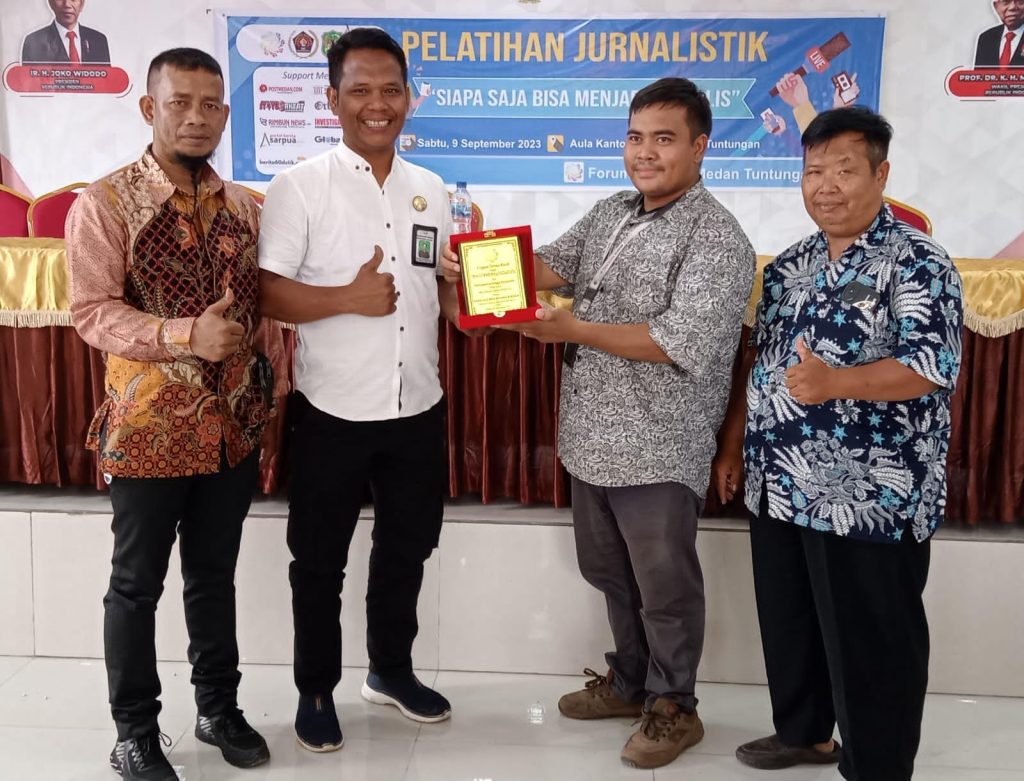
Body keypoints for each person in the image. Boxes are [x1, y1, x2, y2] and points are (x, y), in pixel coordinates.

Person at [443, 77, 755, 770]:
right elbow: (548, 266)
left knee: (664, 584)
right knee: (608, 570)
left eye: (664, 139)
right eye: (635, 137)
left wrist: (573, 329)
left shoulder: (717, 237)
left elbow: (678, 341)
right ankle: (631, 680)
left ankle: (675, 706)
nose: (645, 152)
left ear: (700, 146)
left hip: (659, 441)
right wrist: (471, 261)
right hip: (590, 434)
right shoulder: (613, 209)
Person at [713, 107, 963, 781]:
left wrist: (837, 382)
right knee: (790, 622)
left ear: (881, 175)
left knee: (874, 640)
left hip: (870, 495)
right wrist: (734, 444)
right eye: (813, 171)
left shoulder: (918, 261)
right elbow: (761, 363)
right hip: (780, 479)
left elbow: (930, 366)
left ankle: (877, 765)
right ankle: (804, 735)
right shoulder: (790, 264)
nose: (826, 186)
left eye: (844, 170)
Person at [66, 47, 285, 780]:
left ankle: (218, 708)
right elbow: (92, 312)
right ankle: (134, 731)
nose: (197, 117)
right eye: (180, 102)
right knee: (136, 585)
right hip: (149, 429)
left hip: (231, 430)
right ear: (149, 109)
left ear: (225, 113)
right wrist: (184, 333)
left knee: (213, 576)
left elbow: (263, 306)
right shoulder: (106, 203)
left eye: (210, 104)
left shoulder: (245, 207)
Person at [258, 28, 462, 753]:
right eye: (361, 90)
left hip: (417, 407)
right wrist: (346, 297)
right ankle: (316, 690)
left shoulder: (431, 189)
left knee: (407, 548)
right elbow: (267, 292)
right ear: (332, 98)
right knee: (318, 561)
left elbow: (440, 291)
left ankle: (390, 671)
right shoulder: (299, 186)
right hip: (332, 411)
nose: (379, 104)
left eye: (391, 90)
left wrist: (473, 292)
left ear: (409, 97)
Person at [22, 0, 110, 64]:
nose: (67, 4)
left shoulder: (99, 40)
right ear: (50, 3)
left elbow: (106, 81)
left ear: (82, 4)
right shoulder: (34, 42)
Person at [975, 0, 1024, 67]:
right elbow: (980, 73)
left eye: (1020, 1)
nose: (1012, 7)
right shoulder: (986, 38)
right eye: (1006, 2)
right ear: (996, 7)